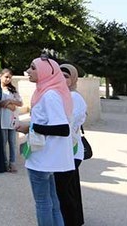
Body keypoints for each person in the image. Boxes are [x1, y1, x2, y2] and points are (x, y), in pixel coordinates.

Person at [16, 55, 74, 226]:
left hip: (43, 159)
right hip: (46, 158)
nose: (28, 71)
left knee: (43, 204)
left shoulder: (50, 95)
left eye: (33, 67)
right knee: (52, 203)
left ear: (45, 72)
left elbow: (62, 129)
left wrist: (32, 127)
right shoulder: (47, 92)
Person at [54, 63, 87, 226]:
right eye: (59, 74)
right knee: (70, 189)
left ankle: (70, 221)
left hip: (70, 152)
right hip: (67, 151)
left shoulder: (73, 97)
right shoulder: (63, 95)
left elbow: (67, 124)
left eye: (66, 76)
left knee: (63, 191)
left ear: (73, 79)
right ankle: (75, 219)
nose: (61, 78)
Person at [0, 68, 23, 172]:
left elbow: (20, 102)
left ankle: (12, 163)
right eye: (6, 77)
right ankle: (4, 163)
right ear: (0, 76)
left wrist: (9, 101)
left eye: (10, 77)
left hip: (12, 120)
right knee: (3, 143)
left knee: (12, 142)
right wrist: (7, 105)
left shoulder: (12, 90)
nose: (8, 79)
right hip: (1, 120)